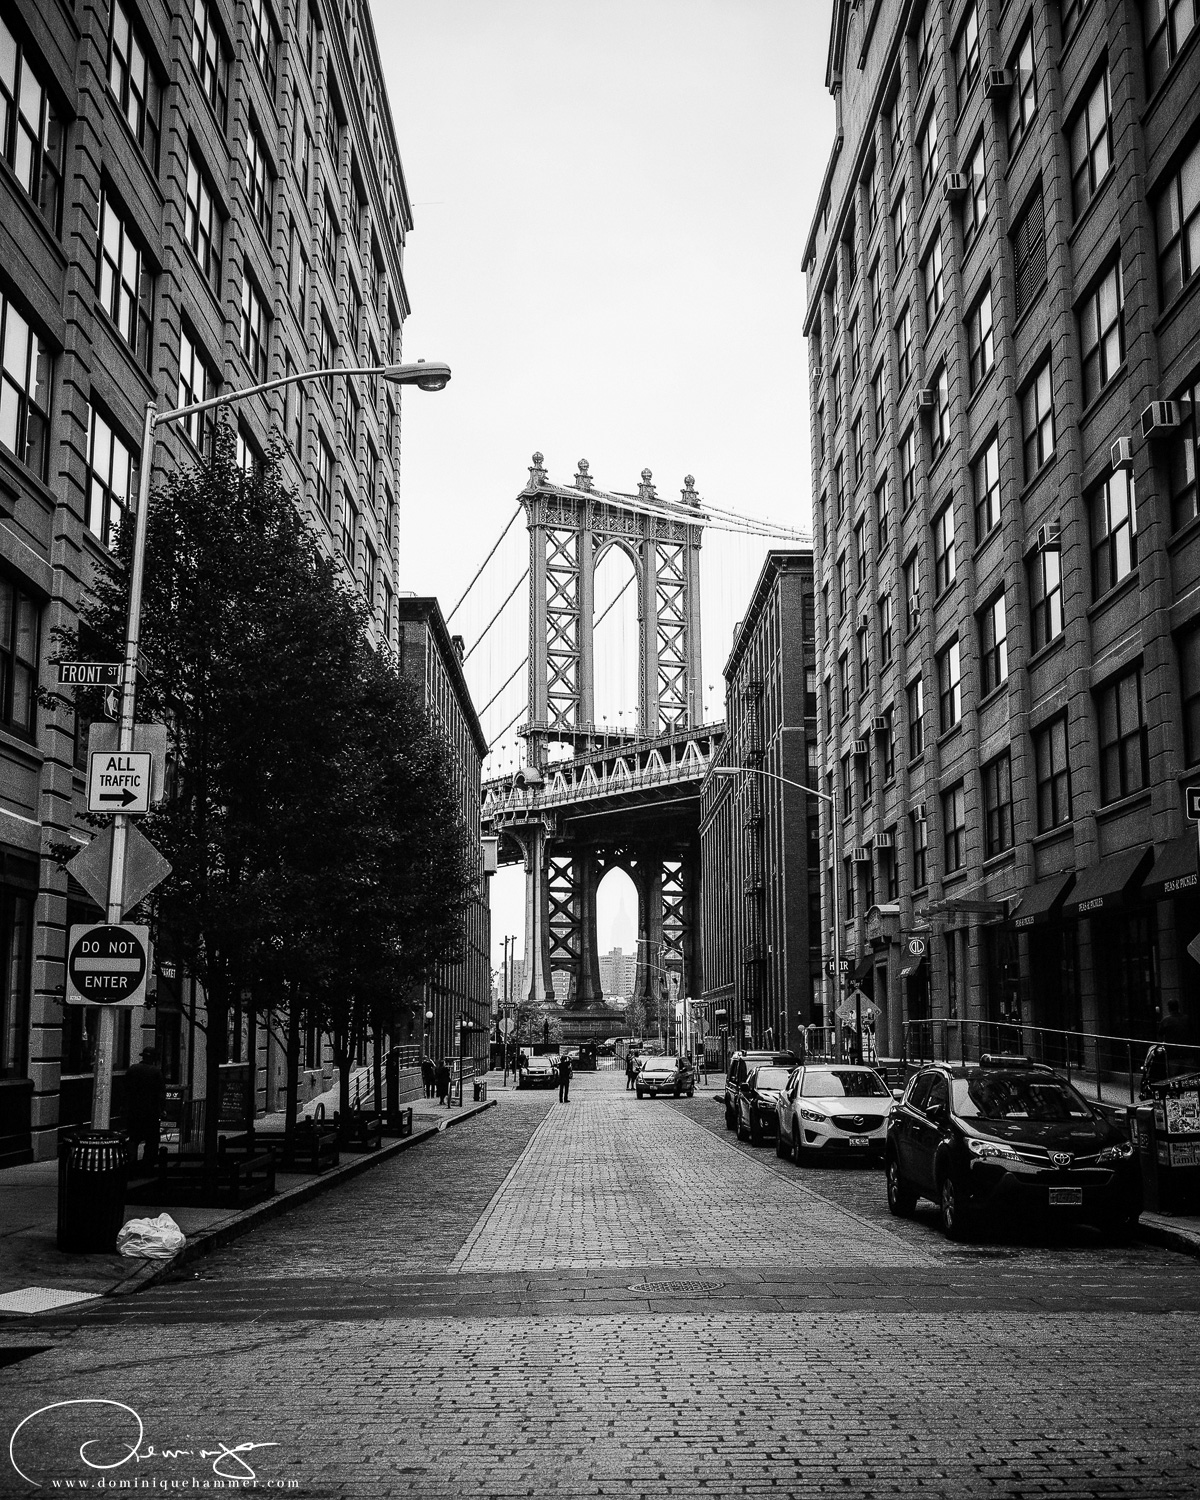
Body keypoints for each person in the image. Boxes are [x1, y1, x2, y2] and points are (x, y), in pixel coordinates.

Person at [123, 1047, 166, 1166]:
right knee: (151, 1141)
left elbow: (125, 1090)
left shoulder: (132, 1069)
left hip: (133, 1112)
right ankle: (147, 1167)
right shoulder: (156, 1072)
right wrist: (162, 1109)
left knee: (133, 1140)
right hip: (150, 1113)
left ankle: (131, 1166)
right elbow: (161, 1094)